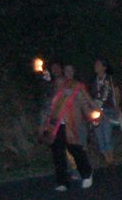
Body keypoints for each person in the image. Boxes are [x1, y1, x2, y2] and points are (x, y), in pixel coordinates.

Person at [40, 63, 97, 192]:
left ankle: (87, 173)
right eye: (53, 68)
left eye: (57, 68)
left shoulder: (74, 87)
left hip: (71, 124)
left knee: (75, 150)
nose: (55, 70)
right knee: (58, 153)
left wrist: (93, 115)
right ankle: (62, 181)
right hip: (55, 125)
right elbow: (45, 108)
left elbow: (85, 103)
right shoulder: (50, 88)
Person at [91, 59, 122, 165]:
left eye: (98, 64)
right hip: (96, 111)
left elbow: (117, 92)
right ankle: (107, 159)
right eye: (95, 64)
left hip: (108, 110)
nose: (96, 66)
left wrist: (117, 107)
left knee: (107, 134)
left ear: (104, 67)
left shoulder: (110, 79)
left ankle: (111, 159)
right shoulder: (93, 80)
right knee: (99, 135)